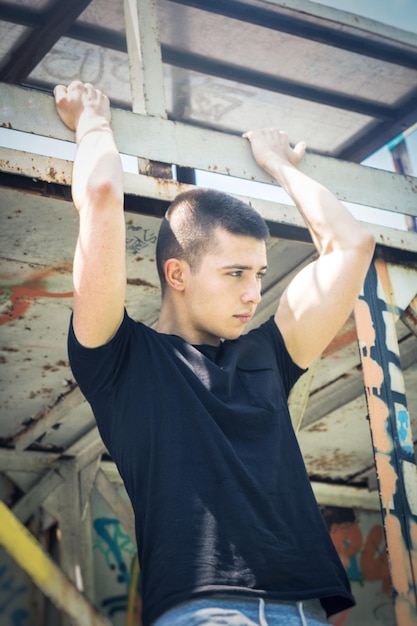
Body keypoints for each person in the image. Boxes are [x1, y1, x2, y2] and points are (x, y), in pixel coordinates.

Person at [54, 81, 375, 626]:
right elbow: (104, 194)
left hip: (306, 613)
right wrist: (92, 124)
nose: (254, 293)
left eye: (258, 275)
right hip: (203, 611)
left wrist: (278, 164)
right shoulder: (122, 359)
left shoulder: (266, 355)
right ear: (176, 273)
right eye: (235, 274)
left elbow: (352, 245)